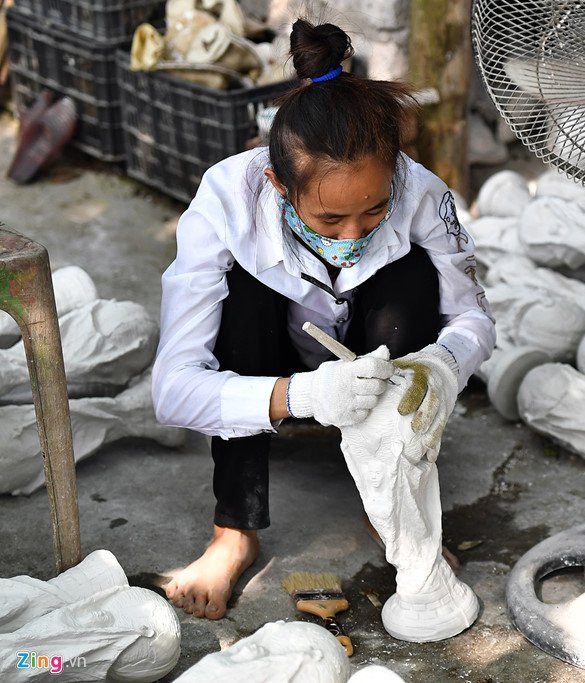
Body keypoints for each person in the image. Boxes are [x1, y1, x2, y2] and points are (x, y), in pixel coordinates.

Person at [151, 19, 496, 620]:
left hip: (377, 348)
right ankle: (233, 531)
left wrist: (442, 364)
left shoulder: (421, 194)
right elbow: (174, 391)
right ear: (278, 184)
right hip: (273, 359)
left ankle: (391, 508)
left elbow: (473, 318)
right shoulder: (226, 200)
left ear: (396, 172)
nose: (355, 232)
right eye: (331, 218)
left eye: (374, 208)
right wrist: (303, 394)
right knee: (244, 293)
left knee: (412, 275)